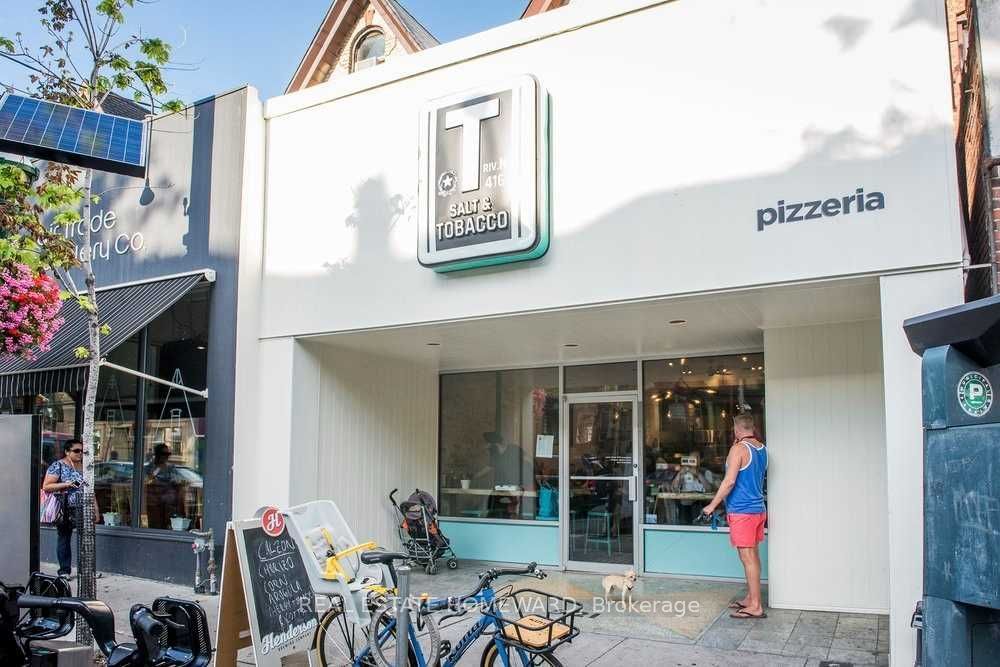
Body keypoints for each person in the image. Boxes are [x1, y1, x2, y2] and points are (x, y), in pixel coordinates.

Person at [701, 414, 768, 619]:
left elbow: (729, 482)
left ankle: (755, 606)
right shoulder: (761, 448)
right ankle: (751, 598)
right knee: (752, 556)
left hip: (743, 511)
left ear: (737, 429)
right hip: (757, 510)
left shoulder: (738, 449)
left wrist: (711, 506)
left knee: (747, 557)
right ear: (752, 428)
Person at [41, 439, 96, 579]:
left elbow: (90, 489)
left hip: (84, 506)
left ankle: (87, 571)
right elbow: (47, 486)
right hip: (65, 507)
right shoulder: (58, 465)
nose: (80, 454)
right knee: (64, 538)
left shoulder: (85, 467)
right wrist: (66, 484)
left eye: (82, 451)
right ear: (67, 452)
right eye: (76, 451)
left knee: (86, 539)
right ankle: (64, 571)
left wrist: (95, 508)